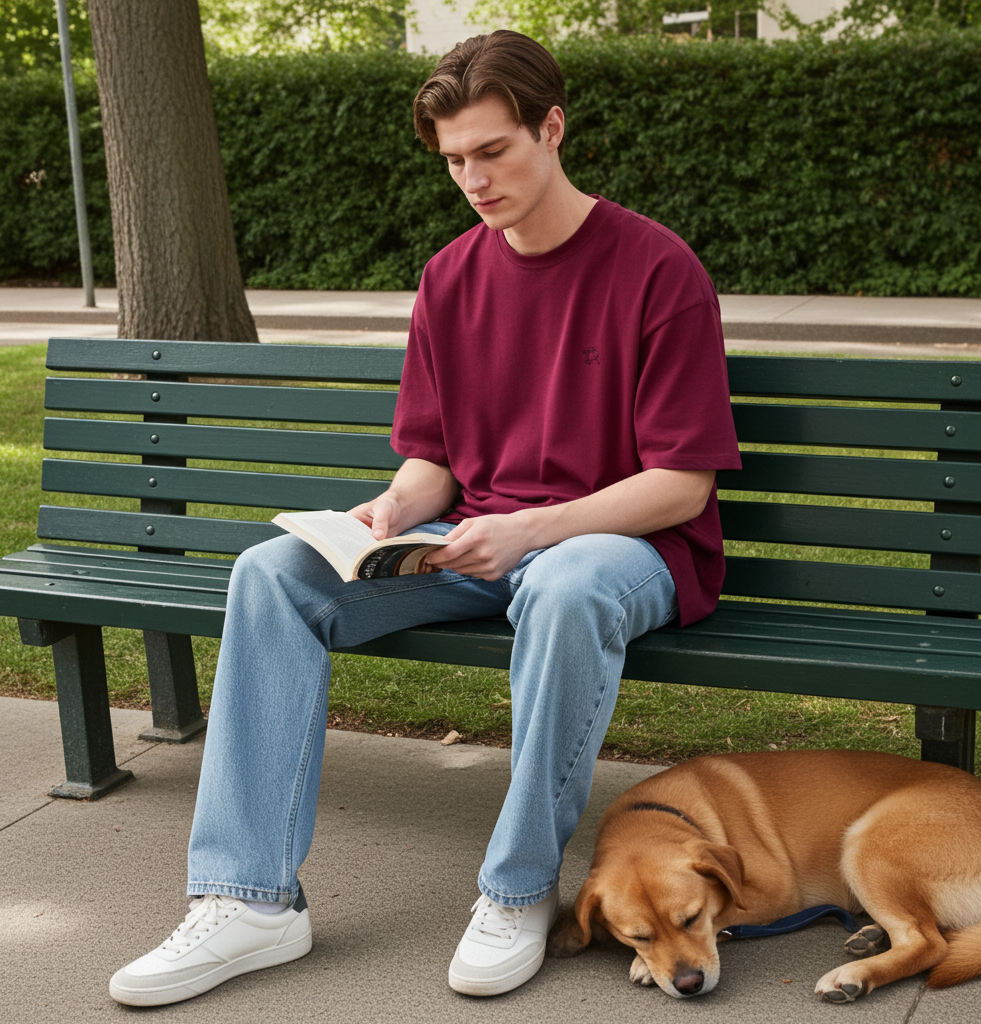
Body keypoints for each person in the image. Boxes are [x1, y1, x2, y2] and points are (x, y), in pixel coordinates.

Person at [109, 29, 741, 1007]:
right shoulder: (450, 277)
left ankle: (517, 888)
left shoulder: (656, 270)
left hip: (624, 548)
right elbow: (435, 460)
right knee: (268, 573)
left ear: (552, 127)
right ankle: (248, 900)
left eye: (493, 151)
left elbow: (683, 484)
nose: (473, 179)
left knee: (569, 588)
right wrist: (393, 508)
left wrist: (534, 529)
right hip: (473, 542)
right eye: (454, 161)